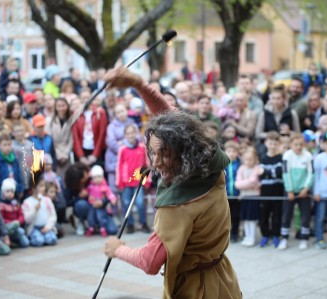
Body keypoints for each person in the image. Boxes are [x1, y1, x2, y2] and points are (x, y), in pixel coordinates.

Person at [103, 67, 242, 298]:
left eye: (165, 153)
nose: (155, 163)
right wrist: (139, 84)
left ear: (183, 152)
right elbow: (180, 127)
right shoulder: (211, 166)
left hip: (196, 289)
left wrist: (118, 250)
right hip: (223, 277)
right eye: (152, 152)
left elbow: (150, 261)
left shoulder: (177, 208)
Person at [279, 132, 314, 250]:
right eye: (296, 144)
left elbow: (311, 173)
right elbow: (285, 173)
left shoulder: (308, 156)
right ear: (290, 144)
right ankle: (284, 238)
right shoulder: (287, 156)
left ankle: (304, 238)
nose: (298, 147)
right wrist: (289, 190)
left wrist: (306, 188)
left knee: (305, 215)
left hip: (304, 191)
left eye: (301, 144)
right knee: (286, 215)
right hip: (290, 191)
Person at [116, 124, 151, 233]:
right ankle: (130, 224)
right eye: (128, 133)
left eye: (132, 132)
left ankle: (143, 223)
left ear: (136, 134)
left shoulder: (142, 148)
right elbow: (119, 166)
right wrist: (119, 181)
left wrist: (148, 179)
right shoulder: (122, 149)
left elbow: (147, 164)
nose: (131, 135)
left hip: (138, 182)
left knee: (140, 203)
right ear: (125, 135)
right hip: (126, 182)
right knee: (126, 203)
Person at [258, 131, 284, 248]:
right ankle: (265, 235)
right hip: (265, 190)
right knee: (264, 214)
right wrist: (270, 173)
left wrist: (267, 172)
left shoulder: (280, 158)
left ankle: (275, 235)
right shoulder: (263, 158)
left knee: (276, 214)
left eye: (275, 143)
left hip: (277, 189)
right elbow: (260, 174)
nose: (272, 145)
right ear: (266, 143)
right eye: (270, 143)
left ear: (278, 144)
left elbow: (279, 173)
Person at [234, 147, 261, 247]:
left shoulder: (257, 168)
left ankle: (252, 237)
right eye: (246, 159)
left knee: (252, 218)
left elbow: (253, 180)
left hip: (253, 196)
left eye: (251, 159)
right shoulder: (241, 168)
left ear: (255, 159)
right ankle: (247, 237)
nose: (248, 162)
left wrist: (244, 184)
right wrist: (248, 184)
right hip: (244, 197)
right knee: (245, 218)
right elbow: (237, 184)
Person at [22, 177, 58, 247]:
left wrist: (48, 227)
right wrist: (35, 210)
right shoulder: (27, 202)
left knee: (52, 239)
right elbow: (27, 220)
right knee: (39, 241)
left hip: (45, 226)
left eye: (43, 186)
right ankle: (33, 237)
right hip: (34, 227)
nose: (43, 188)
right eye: (40, 186)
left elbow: (53, 215)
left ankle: (44, 236)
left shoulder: (47, 200)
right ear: (33, 188)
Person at [85, 165, 118, 237]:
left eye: (99, 177)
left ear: (102, 177)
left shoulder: (104, 186)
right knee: (91, 216)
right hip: (92, 204)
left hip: (101, 206)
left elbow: (109, 193)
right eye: (95, 177)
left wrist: (113, 199)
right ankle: (91, 227)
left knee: (101, 215)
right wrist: (84, 192)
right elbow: (86, 191)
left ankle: (102, 227)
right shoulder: (90, 186)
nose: (97, 179)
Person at [0, 178, 29, 248]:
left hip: (16, 226)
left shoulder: (16, 203)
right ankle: (3, 238)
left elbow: (21, 215)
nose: (10, 194)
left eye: (12, 192)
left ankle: (12, 240)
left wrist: (18, 221)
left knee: (25, 243)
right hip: (6, 227)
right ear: (3, 192)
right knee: (20, 231)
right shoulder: (1, 205)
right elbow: (1, 219)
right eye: (7, 191)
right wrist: (12, 222)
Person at [224, 141, 241, 243]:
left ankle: (235, 233)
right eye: (229, 151)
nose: (231, 153)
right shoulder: (223, 165)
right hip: (225, 196)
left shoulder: (239, 164)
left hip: (236, 195)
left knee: (236, 215)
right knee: (225, 217)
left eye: (234, 151)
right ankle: (226, 234)